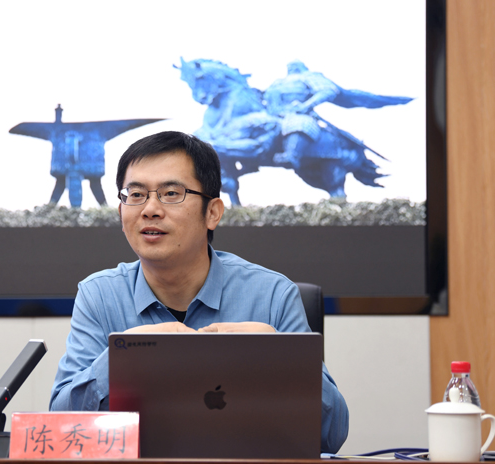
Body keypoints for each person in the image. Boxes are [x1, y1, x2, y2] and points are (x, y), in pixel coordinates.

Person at [50, 130, 349, 453]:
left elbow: (331, 434)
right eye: (136, 194)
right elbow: (61, 427)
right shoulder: (99, 295)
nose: (150, 209)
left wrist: (280, 357)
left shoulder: (273, 295)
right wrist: (120, 358)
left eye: (171, 193)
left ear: (213, 213)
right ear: (121, 213)